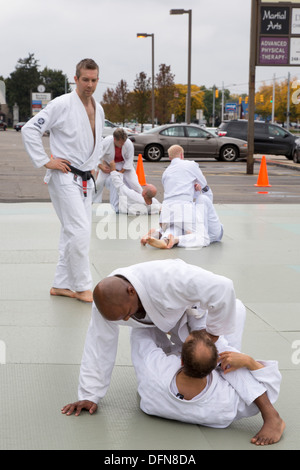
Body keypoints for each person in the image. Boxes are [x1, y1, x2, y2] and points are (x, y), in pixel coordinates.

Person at [61, 259, 237, 416]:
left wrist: (212, 334)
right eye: (121, 319)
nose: (126, 320)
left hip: (192, 313)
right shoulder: (106, 306)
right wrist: (89, 395)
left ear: (131, 291)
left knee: (216, 356)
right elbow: (99, 344)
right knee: (146, 344)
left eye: (126, 314)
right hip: (156, 319)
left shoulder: (170, 278)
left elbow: (223, 287)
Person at [130, 301, 285, 446]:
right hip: (214, 411)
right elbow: (268, 391)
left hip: (157, 401)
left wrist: (164, 319)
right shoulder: (227, 401)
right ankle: (272, 416)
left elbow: (140, 332)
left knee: (154, 321)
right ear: (215, 367)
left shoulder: (154, 371)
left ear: (181, 361)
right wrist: (248, 361)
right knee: (236, 307)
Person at [22, 58, 104, 303]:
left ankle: (61, 284)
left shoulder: (98, 107)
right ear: (75, 79)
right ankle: (81, 286)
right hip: (64, 175)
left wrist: (95, 165)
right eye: (85, 79)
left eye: (94, 80)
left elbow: (95, 139)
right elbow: (30, 129)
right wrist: (46, 160)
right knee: (79, 230)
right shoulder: (62, 104)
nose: (89, 84)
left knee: (73, 232)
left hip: (86, 178)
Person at [141, 144, 222, 249]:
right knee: (202, 238)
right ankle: (176, 240)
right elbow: (204, 186)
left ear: (170, 158)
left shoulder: (165, 173)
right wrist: (198, 189)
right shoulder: (191, 165)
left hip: (166, 210)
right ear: (182, 155)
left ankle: (160, 235)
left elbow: (176, 190)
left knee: (175, 227)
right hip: (183, 206)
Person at [93, 128, 142, 204]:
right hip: (108, 164)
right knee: (99, 182)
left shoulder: (128, 144)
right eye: (121, 142)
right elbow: (97, 156)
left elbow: (129, 160)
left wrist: (119, 172)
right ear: (115, 139)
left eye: (124, 142)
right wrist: (101, 167)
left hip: (124, 164)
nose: (123, 144)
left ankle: (142, 199)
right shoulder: (106, 142)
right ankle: (95, 202)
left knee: (134, 182)